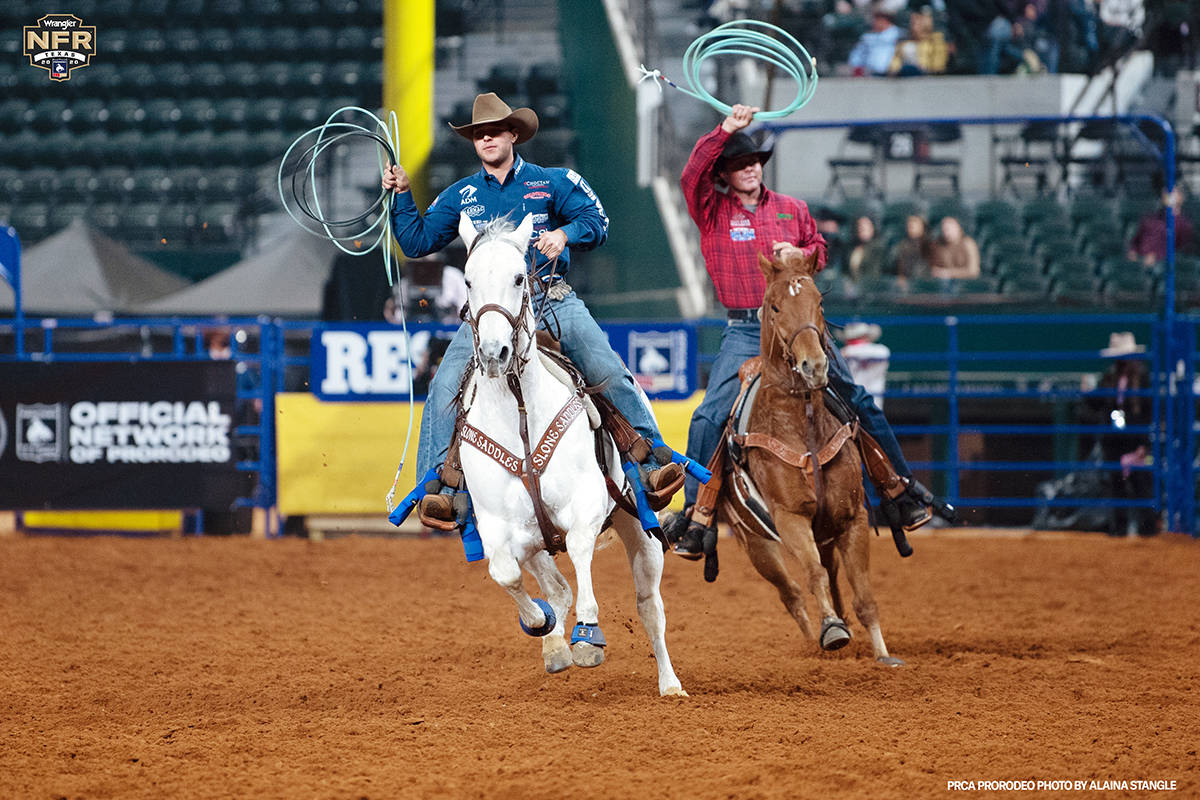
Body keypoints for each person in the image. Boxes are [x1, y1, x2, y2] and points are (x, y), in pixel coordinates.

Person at [382, 92, 683, 528]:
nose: (485, 139)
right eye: (477, 134)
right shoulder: (460, 195)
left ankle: (651, 460)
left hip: (549, 298)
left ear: (512, 134)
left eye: (493, 131)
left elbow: (598, 221)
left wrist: (565, 233)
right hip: (489, 313)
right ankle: (442, 491)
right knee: (444, 386)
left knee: (607, 368)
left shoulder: (553, 181)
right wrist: (403, 196)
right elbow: (415, 241)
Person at [666, 102, 947, 558]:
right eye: (739, 164)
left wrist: (798, 252)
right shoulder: (712, 210)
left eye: (755, 161)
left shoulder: (792, 210)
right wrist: (725, 130)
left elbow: (819, 250)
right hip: (746, 329)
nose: (751, 169)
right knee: (707, 416)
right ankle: (697, 513)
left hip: (800, 327)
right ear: (726, 174)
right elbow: (690, 174)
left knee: (856, 398)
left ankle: (900, 489)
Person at [1080, 332, 1157, 537]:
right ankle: (1120, 527)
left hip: (1134, 438)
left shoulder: (1141, 378)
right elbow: (1098, 403)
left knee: (1141, 483)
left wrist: (1144, 442)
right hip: (1114, 439)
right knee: (1117, 484)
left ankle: (1147, 527)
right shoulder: (1110, 377)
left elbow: (1147, 411)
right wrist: (1087, 393)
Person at [1128, 186, 1195, 267]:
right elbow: (1136, 240)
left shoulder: (1184, 224)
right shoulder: (1150, 218)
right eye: (1165, 191)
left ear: (1180, 197)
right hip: (1138, 264)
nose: (1166, 194)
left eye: (1171, 192)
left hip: (1163, 267)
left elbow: (1182, 251)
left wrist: (1157, 257)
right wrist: (1133, 251)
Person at [888, 5, 952, 76]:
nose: (912, 25)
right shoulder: (904, 41)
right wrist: (893, 69)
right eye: (912, 23)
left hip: (925, 74)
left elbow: (939, 58)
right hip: (905, 75)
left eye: (915, 23)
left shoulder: (934, 40)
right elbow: (896, 59)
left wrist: (935, 69)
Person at [839, 322, 891, 410]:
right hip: (849, 405)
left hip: (872, 404)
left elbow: (883, 352)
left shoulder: (879, 351)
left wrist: (847, 352)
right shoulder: (844, 356)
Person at [848, 8, 904, 77]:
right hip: (871, 74)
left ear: (886, 20)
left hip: (892, 73)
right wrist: (856, 66)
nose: (875, 22)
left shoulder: (898, 33)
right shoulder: (868, 36)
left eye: (879, 19)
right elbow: (857, 54)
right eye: (875, 19)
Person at [928, 215, 981, 279]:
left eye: (951, 228)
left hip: (965, 282)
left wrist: (948, 273)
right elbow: (934, 269)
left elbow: (973, 271)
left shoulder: (968, 244)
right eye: (945, 229)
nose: (947, 232)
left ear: (959, 228)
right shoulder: (937, 245)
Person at [845, 214, 888, 289]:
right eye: (860, 226)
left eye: (866, 226)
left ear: (873, 228)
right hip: (851, 290)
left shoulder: (878, 249)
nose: (862, 229)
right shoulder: (850, 248)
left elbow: (874, 274)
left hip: (869, 290)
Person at [890, 213, 932, 286]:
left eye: (915, 223)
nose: (911, 226)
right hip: (904, 286)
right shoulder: (901, 245)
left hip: (924, 284)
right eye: (909, 224)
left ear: (922, 226)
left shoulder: (929, 244)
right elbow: (896, 267)